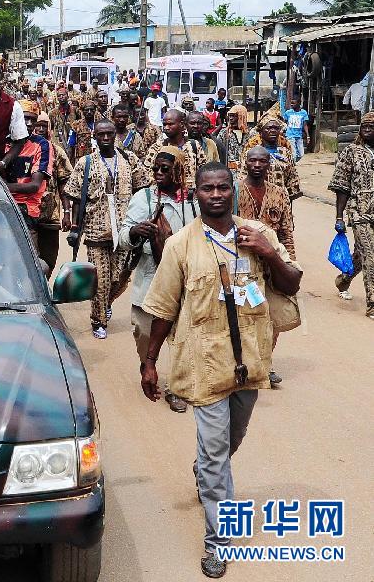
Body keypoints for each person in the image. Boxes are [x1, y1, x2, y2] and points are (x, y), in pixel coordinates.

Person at [139, 162, 302, 578]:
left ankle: (206, 470)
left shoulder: (256, 235)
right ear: (196, 193)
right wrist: (149, 362)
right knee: (215, 455)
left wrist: (267, 252)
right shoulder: (180, 245)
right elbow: (162, 309)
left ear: (233, 191)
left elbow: (291, 283)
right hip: (203, 365)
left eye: (222, 188)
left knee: (232, 439)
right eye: (207, 188)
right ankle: (218, 541)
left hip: (249, 362)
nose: (215, 195)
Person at [119, 145, 197, 413]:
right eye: (155, 169)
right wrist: (134, 232)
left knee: (181, 335)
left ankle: (176, 387)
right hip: (150, 278)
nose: (159, 174)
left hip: (184, 281)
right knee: (143, 331)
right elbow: (122, 236)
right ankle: (147, 363)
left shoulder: (193, 202)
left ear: (179, 170)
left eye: (165, 169)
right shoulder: (144, 198)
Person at [63, 120, 150, 339]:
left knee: (119, 276)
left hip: (124, 230)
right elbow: (74, 196)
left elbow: (143, 189)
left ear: (114, 135)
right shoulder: (86, 162)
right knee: (100, 279)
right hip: (96, 229)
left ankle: (107, 302)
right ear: (94, 135)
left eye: (109, 134)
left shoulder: (129, 159)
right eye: (100, 134)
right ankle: (98, 320)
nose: (105, 138)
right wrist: (74, 226)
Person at [238, 146, 296, 387]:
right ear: (246, 163)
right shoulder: (235, 190)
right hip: (242, 264)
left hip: (272, 263)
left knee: (272, 316)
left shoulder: (279, 193)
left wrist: (290, 263)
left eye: (263, 161)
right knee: (244, 315)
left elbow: (286, 232)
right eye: (253, 161)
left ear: (269, 164)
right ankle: (243, 363)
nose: (258, 165)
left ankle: (266, 363)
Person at [329, 112, 374, 319]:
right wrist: (339, 217)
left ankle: (344, 279)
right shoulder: (351, 152)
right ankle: (372, 302)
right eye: (364, 126)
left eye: (371, 127)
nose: (367, 129)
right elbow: (341, 186)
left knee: (361, 256)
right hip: (359, 210)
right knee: (370, 254)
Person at [7, 100, 51, 252]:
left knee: (30, 261)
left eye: (33, 119)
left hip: (27, 209)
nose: (29, 123)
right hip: (3, 206)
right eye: (25, 118)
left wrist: (0, 186)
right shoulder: (3, 142)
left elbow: (34, 185)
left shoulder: (41, 145)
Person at [35, 111, 74, 268]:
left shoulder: (56, 151)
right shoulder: (22, 148)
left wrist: (66, 212)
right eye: (37, 126)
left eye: (43, 126)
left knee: (49, 260)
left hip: (50, 216)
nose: (39, 130)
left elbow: (63, 183)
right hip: (26, 214)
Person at [240, 116, 301, 201]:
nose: (272, 130)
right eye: (268, 128)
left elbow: (292, 178)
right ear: (261, 132)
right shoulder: (252, 153)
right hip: (255, 199)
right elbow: (243, 176)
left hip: (279, 199)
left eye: (276, 128)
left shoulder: (285, 153)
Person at [144, 110, 208, 190]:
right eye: (164, 124)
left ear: (181, 124)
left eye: (170, 124)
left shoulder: (193, 145)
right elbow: (148, 174)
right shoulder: (157, 148)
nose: (166, 128)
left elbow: (203, 171)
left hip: (190, 196)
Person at [48, 85, 81, 160]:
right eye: (59, 95)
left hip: (73, 142)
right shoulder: (53, 113)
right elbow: (50, 128)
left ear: (67, 96)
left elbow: (81, 123)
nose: (61, 97)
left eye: (63, 95)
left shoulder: (75, 110)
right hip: (59, 143)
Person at [217, 104, 249, 171]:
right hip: (229, 171)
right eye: (230, 116)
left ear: (242, 117)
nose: (231, 118)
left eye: (234, 116)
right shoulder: (224, 133)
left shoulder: (249, 134)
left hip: (246, 170)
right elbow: (218, 151)